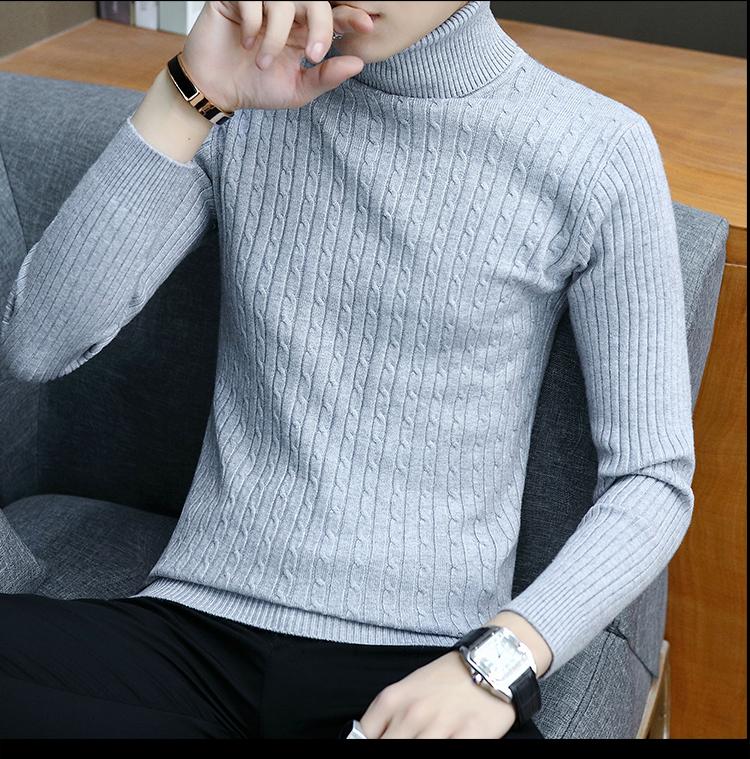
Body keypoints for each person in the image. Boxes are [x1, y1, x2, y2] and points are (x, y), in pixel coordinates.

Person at [0, 0, 695, 739]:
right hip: (188, 637)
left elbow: (651, 476)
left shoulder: (598, 150)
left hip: (420, 668)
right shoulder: (245, 96)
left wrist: (496, 662)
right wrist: (191, 92)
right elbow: (37, 344)